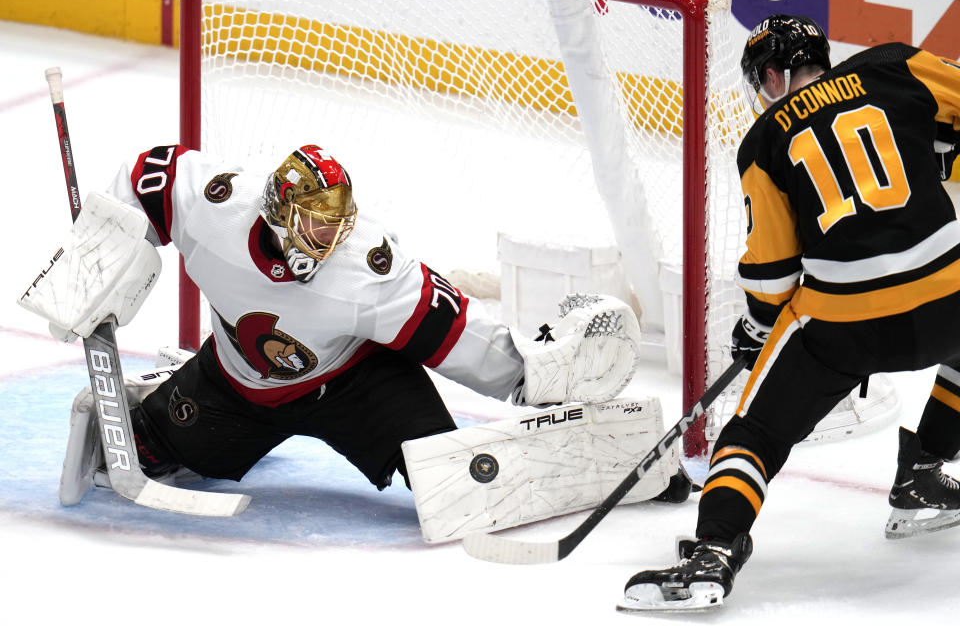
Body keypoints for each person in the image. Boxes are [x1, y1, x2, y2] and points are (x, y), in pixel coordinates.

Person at [31, 143, 684, 520]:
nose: (334, 236)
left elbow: (450, 333)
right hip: (239, 385)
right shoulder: (215, 209)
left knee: (458, 479)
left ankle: (618, 466)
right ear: (280, 214)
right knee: (147, 453)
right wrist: (104, 253)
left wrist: (533, 375)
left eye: (341, 220)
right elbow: (149, 177)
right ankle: (157, 406)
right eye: (318, 223)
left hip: (358, 384)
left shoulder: (367, 269)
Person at [619, 14, 960, 612]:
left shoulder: (765, 141)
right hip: (948, 300)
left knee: (756, 431)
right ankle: (926, 466)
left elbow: (775, 273)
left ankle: (715, 549)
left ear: (772, 77)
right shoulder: (895, 66)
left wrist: (755, 328)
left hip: (844, 327)